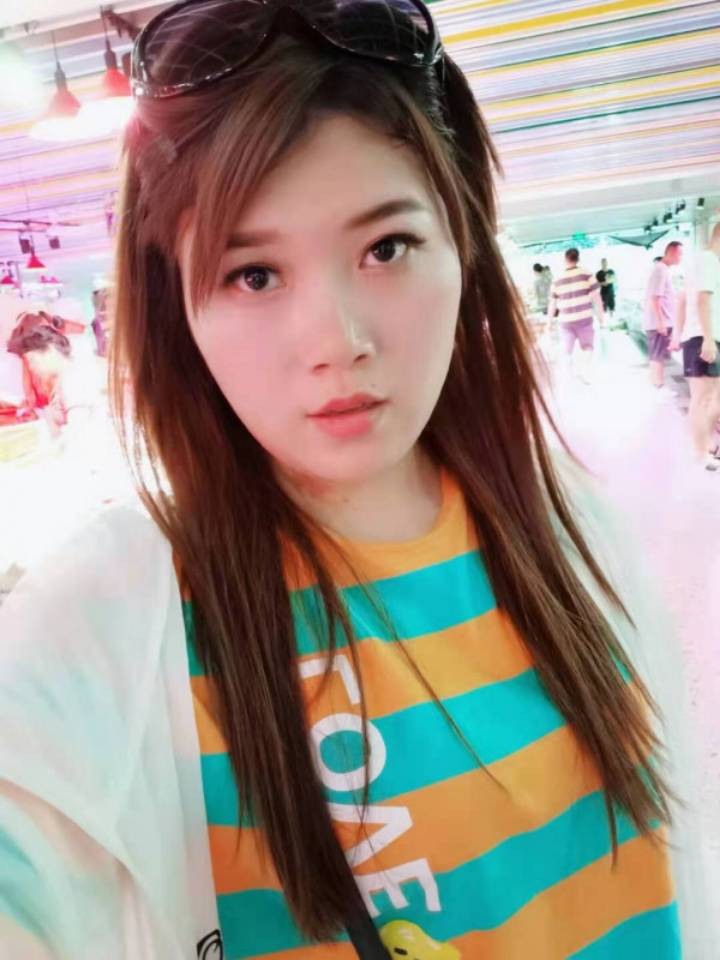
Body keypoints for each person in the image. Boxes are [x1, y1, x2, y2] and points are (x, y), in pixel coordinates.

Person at [0, 2, 710, 958]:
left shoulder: (566, 524)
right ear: (179, 308)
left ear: (464, 244)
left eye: (386, 248)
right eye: (253, 274)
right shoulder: (108, 625)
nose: (336, 343)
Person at [672, 223, 720, 471]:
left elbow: (682, 300)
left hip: (704, 336)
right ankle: (701, 453)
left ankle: (708, 446)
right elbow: (702, 301)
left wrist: (679, 334)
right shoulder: (709, 261)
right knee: (703, 398)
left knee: (712, 399)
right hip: (703, 338)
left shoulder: (703, 263)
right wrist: (708, 339)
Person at [547, 248, 605, 384]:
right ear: (578, 259)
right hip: (584, 318)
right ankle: (583, 371)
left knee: (566, 351)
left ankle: (570, 378)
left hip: (566, 321)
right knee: (587, 347)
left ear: (565, 259)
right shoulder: (587, 274)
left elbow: (552, 302)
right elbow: (597, 298)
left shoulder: (557, 278)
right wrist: (601, 318)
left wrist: (549, 323)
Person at [643, 242, 683, 390]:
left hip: (661, 321)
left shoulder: (662, 269)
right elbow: (655, 298)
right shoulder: (660, 269)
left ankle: (657, 384)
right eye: (680, 254)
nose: (681, 257)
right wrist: (661, 323)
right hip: (658, 323)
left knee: (657, 356)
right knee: (657, 357)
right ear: (671, 252)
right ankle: (658, 385)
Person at [595, 258, 616, 325]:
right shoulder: (599, 273)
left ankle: (612, 322)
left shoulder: (611, 271)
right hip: (603, 293)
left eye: (605, 262)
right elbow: (596, 283)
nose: (604, 264)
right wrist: (602, 283)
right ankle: (604, 323)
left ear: (607, 263)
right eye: (603, 263)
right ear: (601, 264)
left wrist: (608, 280)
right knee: (603, 309)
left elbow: (614, 279)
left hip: (611, 293)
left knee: (612, 308)